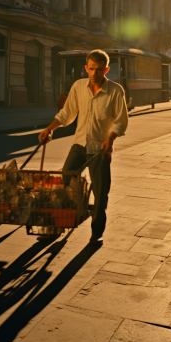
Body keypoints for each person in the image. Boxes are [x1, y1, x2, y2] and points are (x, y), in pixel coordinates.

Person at [38, 49, 128, 245]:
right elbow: (66, 114)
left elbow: (121, 121)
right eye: (91, 69)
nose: (95, 73)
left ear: (106, 70)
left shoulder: (115, 90)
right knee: (64, 185)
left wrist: (110, 139)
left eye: (99, 69)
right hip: (79, 145)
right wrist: (49, 129)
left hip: (100, 149)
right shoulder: (78, 86)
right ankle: (56, 226)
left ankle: (96, 233)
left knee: (100, 192)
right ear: (86, 68)